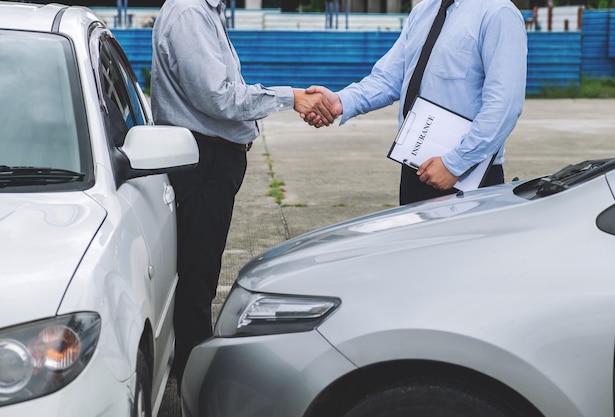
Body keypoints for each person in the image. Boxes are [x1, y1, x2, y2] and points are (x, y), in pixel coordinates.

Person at [150, 0, 337, 388]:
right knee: (197, 278)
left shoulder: (205, 11)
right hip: (204, 161)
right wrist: (291, 97)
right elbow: (219, 97)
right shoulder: (190, 13)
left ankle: (190, 365)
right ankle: (193, 377)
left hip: (211, 159)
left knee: (200, 270)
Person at [304, 0, 527, 205]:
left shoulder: (499, 13)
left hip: (468, 174)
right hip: (415, 165)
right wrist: (341, 101)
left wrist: (454, 164)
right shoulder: (423, 11)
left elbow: (503, 106)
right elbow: (389, 78)